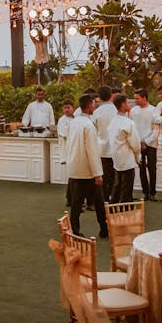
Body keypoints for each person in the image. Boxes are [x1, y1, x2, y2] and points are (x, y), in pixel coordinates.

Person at [66, 94, 106, 237]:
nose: (95, 105)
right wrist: (97, 173)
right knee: (97, 202)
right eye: (94, 103)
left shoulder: (74, 122)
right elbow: (92, 150)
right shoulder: (88, 125)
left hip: (75, 167)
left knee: (77, 203)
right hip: (87, 170)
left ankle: (75, 230)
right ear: (89, 106)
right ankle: (103, 229)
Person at [130, 89, 162, 201]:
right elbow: (132, 128)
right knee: (141, 168)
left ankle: (153, 192)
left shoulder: (154, 110)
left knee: (152, 168)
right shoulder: (133, 111)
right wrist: (139, 142)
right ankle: (145, 192)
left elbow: (157, 129)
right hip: (138, 143)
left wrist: (147, 142)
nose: (135, 101)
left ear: (144, 98)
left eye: (137, 98)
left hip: (151, 143)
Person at [107, 94, 141, 204]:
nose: (129, 104)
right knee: (126, 189)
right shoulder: (128, 122)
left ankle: (112, 210)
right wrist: (137, 156)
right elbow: (135, 143)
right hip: (127, 158)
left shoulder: (113, 121)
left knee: (117, 185)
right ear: (122, 105)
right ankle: (124, 213)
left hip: (116, 158)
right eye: (127, 102)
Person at [92, 87, 119, 201]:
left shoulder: (96, 112)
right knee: (115, 176)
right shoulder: (116, 110)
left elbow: (93, 130)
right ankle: (113, 199)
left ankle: (103, 198)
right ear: (111, 95)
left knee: (104, 175)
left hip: (101, 148)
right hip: (116, 147)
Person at [56, 99, 77, 206]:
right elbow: (66, 134)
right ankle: (71, 199)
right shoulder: (62, 120)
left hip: (75, 150)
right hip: (68, 151)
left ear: (73, 107)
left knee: (73, 176)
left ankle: (70, 198)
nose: (66, 110)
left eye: (68, 107)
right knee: (73, 176)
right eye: (64, 108)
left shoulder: (76, 118)